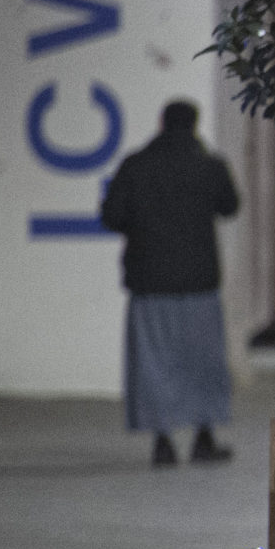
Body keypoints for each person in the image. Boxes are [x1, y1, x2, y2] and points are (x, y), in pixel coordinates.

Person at [99, 101, 242, 467]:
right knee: (203, 362)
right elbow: (230, 206)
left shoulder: (135, 165)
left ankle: (162, 442)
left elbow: (111, 216)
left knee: (154, 364)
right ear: (195, 124)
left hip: (149, 285)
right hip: (199, 284)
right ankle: (203, 437)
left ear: (161, 123)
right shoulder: (209, 166)